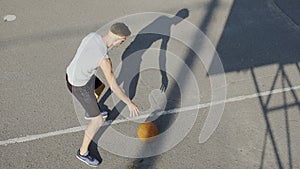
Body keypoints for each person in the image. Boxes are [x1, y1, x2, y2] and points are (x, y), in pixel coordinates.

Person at [66, 23, 140, 167]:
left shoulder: (92, 36)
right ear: (119, 39)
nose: (122, 43)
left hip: (72, 74)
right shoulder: (104, 59)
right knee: (98, 120)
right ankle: (83, 152)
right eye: (123, 41)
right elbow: (114, 86)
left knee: (100, 87)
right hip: (79, 85)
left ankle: (91, 109)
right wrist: (129, 103)